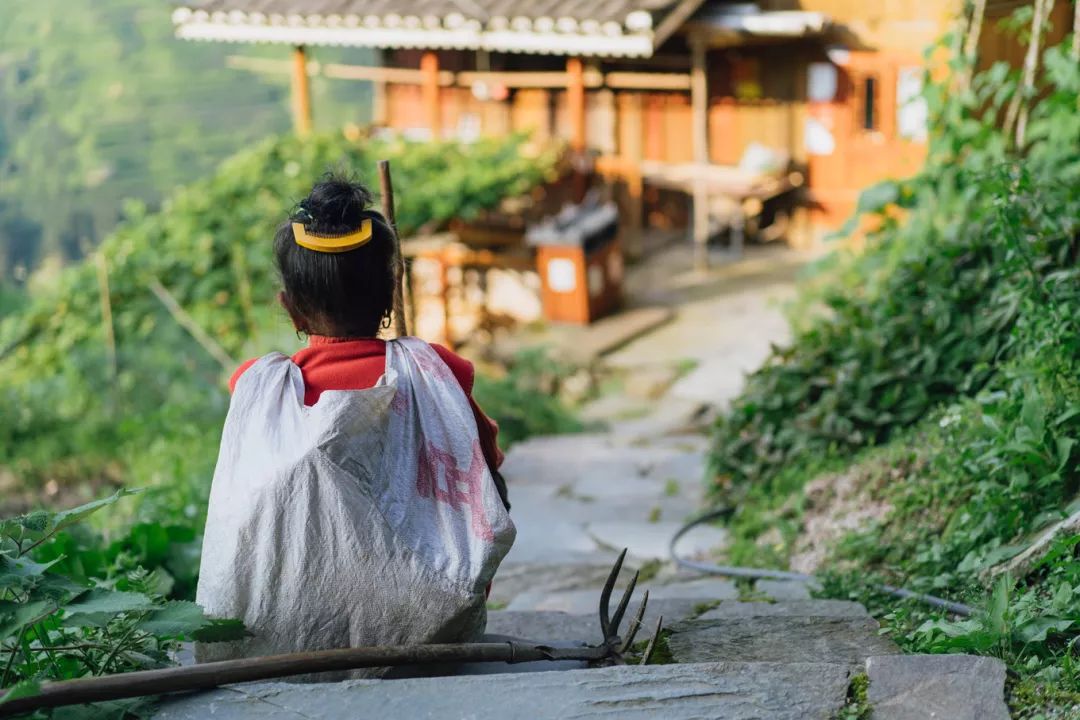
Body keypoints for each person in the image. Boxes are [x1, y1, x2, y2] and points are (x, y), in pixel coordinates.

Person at [195, 174, 515, 677]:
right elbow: (487, 473)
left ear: (290, 308)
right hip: (426, 623)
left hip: (292, 627)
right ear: (392, 291)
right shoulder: (437, 374)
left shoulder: (256, 393)